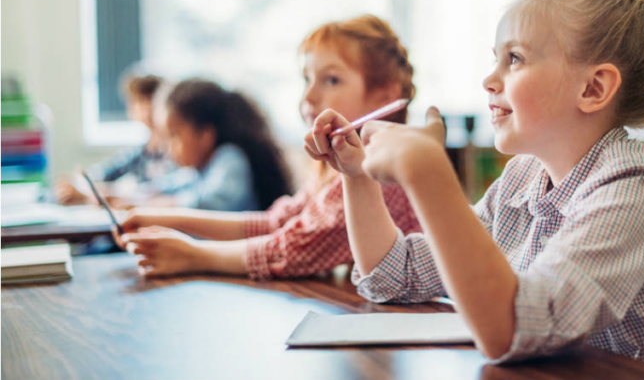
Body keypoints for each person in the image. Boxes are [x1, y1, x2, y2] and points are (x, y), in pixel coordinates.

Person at [304, 0, 644, 379]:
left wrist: (429, 174)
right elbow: (393, 276)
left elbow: (517, 329)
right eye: (494, 57)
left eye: (513, 59)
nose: (489, 79)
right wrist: (356, 175)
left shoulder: (634, 188)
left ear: (593, 88)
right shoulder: (523, 178)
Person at [114, 15, 421, 279]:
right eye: (307, 79)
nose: (308, 96)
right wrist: (160, 217)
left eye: (331, 80)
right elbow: (276, 223)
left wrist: (193, 255)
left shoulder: (380, 172)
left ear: (385, 95)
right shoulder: (334, 169)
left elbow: (293, 248)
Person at [139, 78, 293, 212]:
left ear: (205, 136)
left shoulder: (230, 158)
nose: (167, 148)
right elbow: (173, 184)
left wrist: (162, 205)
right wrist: (136, 197)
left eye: (173, 136)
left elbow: (210, 203)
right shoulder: (200, 168)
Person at [55, 71, 174, 205]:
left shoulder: (177, 153)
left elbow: (160, 190)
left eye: (149, 100)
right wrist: (77, 185)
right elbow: (100, 173)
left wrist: (95, 193)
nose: (144, 108)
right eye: (137, 102)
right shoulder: (141, 153)